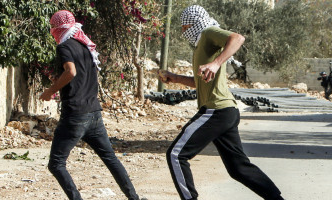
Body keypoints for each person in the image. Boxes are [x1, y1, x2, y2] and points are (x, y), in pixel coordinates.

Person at [160, 5, 284, 200]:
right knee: (238, 168)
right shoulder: (201, 46)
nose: (184, 31)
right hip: (226, 111)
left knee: (176, 154)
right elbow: (198, 81)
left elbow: (238, 38)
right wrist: (174, 78)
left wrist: (216, 63)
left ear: (194, 23)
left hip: (216, 110)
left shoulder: (208, 32)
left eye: (185, 27)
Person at [40, 10, 140, 200]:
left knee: (56, 164)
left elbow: (71, 72)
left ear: (57, 28)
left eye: (53, 28)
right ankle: (133, 197)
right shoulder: (85, 45)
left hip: (75, 115)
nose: (52, 31)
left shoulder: (64, 47)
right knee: (110, 158)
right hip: (94, 113)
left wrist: (50, 90)